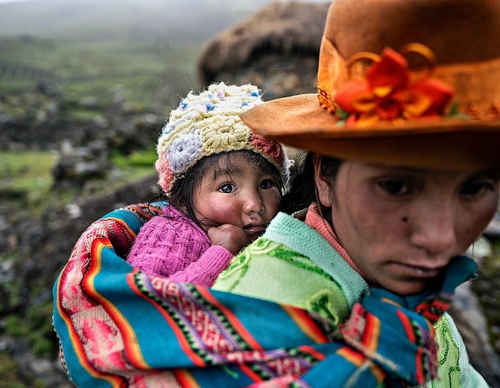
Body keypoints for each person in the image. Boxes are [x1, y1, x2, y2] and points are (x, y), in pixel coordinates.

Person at [52, 0, 500, 386]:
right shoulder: (255, 303)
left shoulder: (421, 296)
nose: (443, 240)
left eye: (477, 187)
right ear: (323, 176)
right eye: (396, 186)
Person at [126, 82, 290, 286]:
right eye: (227, 188)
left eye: (266, 184)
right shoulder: (172, 234)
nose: (255, 205)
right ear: (181, 199)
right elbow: (145, 302)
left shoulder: (271, 234)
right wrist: (221, 253)